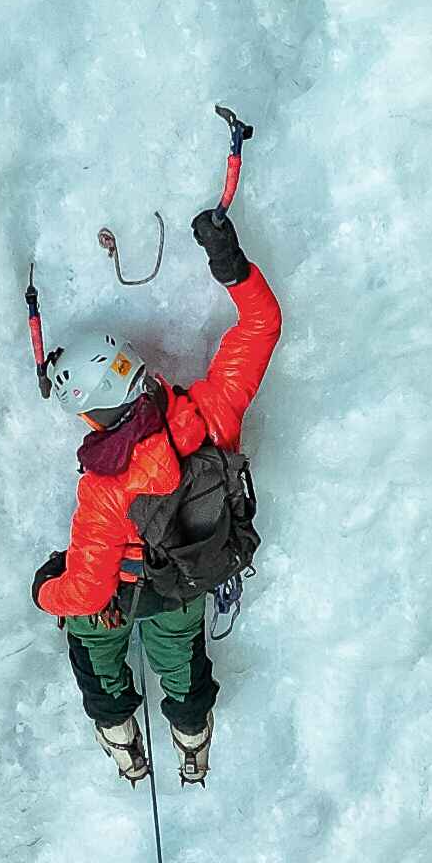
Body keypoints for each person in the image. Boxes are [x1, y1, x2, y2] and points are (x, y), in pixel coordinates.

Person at [35, 204, 279, 786]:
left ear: (91, 414)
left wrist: (46, 589)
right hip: (186, 582)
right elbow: (260, 326)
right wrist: (231, 263)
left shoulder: (104, 491)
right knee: (183, 665)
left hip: (119, 595)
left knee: (94, 649)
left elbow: (85, 589)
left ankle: (123, 742)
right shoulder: (211, 416)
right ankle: (192, 744)